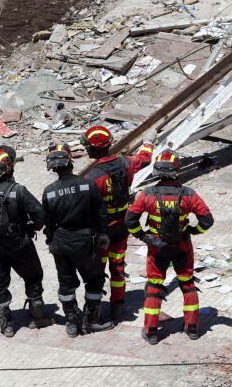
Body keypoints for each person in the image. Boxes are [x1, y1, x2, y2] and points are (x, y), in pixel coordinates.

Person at [125, 150, 214, 344]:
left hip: (157, 248)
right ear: (177, 170)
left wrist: (144, 237)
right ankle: (192, 328)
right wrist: (193, 230)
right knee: (188, 284)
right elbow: (207, 220)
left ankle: (151, 331)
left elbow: (130, 220)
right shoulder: (189, 194)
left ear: (156, 171)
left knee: (154, 287)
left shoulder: (147, 194)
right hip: (182, 246)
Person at [0, 145, 54, 337]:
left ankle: (7, 325)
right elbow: (39, 213)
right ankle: (38, 317)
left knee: (0, 283)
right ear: (9, 168)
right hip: (20, 243)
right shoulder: (18, 191)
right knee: (33, 277)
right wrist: (33, 227)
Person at [41, 142, 114, 337]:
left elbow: (46, 221)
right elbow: (101, 213)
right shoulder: (86, 184)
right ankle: (90, 320)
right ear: (70, 161)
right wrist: (104, 234)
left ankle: (71, 323)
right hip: (84, 243)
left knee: (66, 283)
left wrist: (50, 242)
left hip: (60, 243)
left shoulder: (49, 191)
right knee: (94, 279)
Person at [82, 125, 154, 320]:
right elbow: (145, 159)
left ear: (93, 149)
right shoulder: (126, 162)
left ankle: (94, 311)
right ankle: (118, 306)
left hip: (102, 231)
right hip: (122, 226)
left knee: (98, 270)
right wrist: (148, 143)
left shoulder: (92, 177)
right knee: (118, 266)